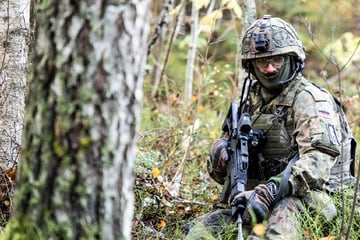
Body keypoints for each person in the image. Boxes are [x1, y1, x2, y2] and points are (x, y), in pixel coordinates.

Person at [185, 15, 357, 240]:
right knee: (202, 230)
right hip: (256, 198)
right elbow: (222, 174)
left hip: (312, 196)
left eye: (277, 60)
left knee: (278, 224)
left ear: (292, 59)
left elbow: (318, 163)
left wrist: (271, 190)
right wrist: (220, 154)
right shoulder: (251, 100)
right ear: (251, 65)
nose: (269, 69)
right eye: (261, 62)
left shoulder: (309, 100)